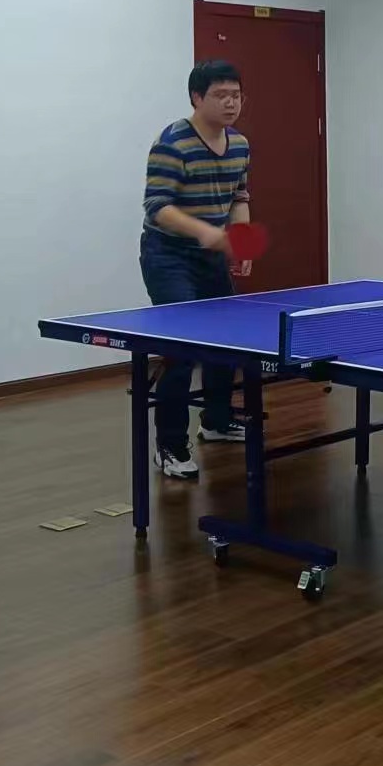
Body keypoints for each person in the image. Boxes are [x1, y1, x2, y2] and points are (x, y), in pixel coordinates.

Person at [139, 60, 253, 479]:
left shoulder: (239, 144)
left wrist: (239, 239)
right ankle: (169, 445)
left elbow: (239, 195)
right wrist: (206, 233)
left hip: (209, 258)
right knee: (182, 349)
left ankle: (217, 421)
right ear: (196, 98)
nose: (230, 103)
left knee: (225, 341)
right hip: (168, 256)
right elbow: (158, 207)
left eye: (236, 95)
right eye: (221, 95)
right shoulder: (172, 143)